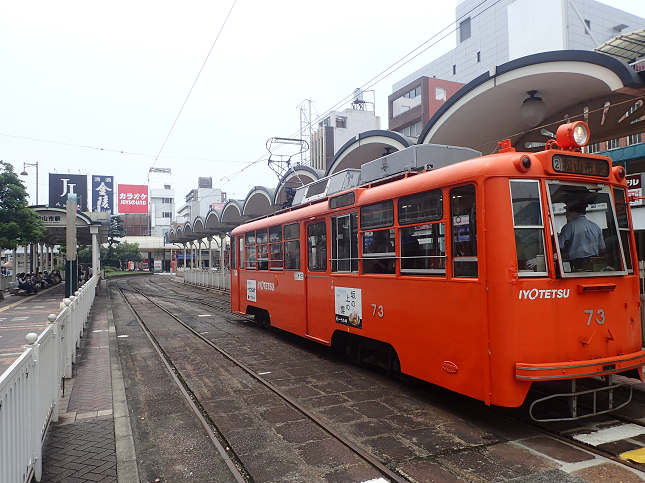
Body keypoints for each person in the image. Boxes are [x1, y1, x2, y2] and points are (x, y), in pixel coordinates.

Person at [558, 198, 605, 269]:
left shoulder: (569, 227)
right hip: (595, 263)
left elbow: (558, 247)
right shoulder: (596, 227)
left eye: (567, 212)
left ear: (573, 211)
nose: (566, 215)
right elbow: (602, 249)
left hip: (577, 264)